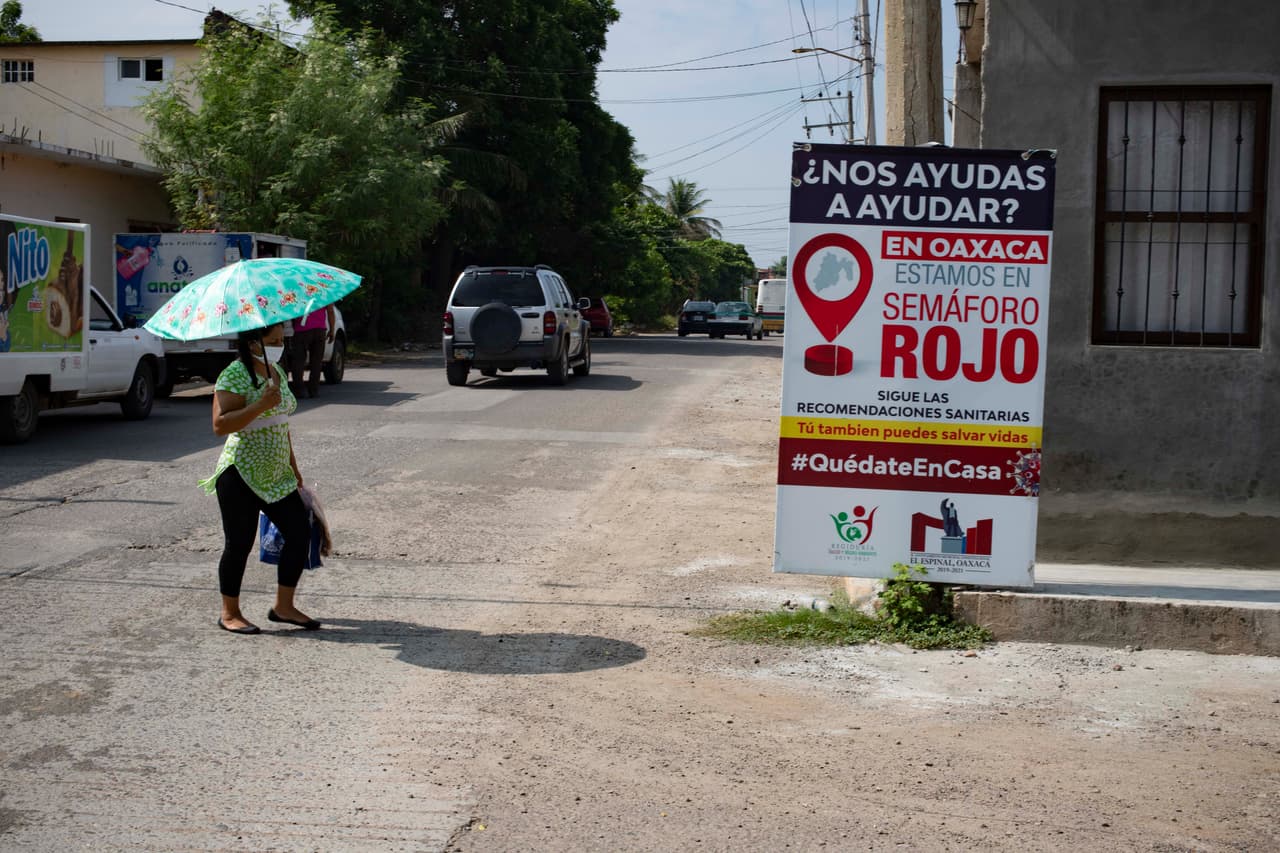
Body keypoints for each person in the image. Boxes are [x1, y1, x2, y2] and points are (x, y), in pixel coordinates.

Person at [199, 321, 320, 634]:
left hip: (277, 473)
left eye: (283, 338)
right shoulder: (234, 374)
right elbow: (220, 424)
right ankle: (229, 612)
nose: (281, 345)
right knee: (239, 543)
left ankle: (284, 606)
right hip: (241, 472)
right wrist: (260, 404)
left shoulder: (276, 372)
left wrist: (293, 465)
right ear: (254, 341)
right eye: (274, 339)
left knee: (299, 533)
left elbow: (281, 422)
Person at [289, 304, 335, 398]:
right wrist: (332, 330)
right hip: (319, 330)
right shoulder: (323, 291)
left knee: (298, 361)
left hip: (301, 330)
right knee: (316, 362)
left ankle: (299, 391)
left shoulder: (297, 290)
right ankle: (313, 390)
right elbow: (330, 311)